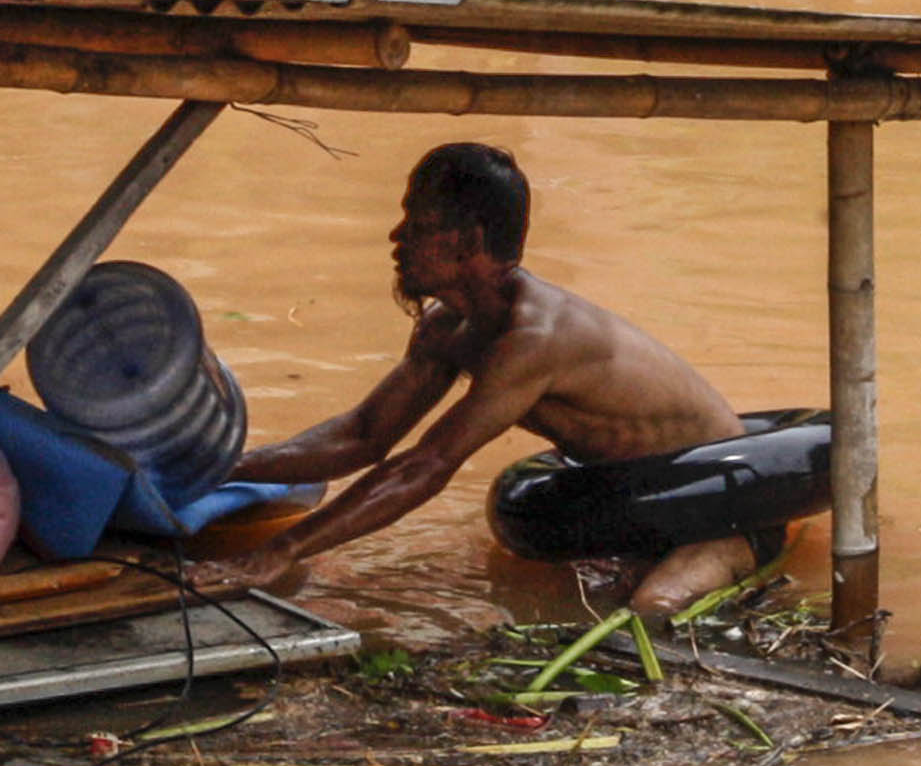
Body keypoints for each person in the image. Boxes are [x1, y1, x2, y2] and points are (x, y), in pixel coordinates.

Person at [204, 142, 762, 612]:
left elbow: (425, 466)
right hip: (624, 497)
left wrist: (283, 549)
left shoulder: (536, 339)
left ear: (469, 242)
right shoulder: (447, 326)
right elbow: (362, 436)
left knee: (652, 608)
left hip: (719, 498)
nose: (396, 238)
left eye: (418, 225)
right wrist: (228, 468)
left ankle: (749, 557)